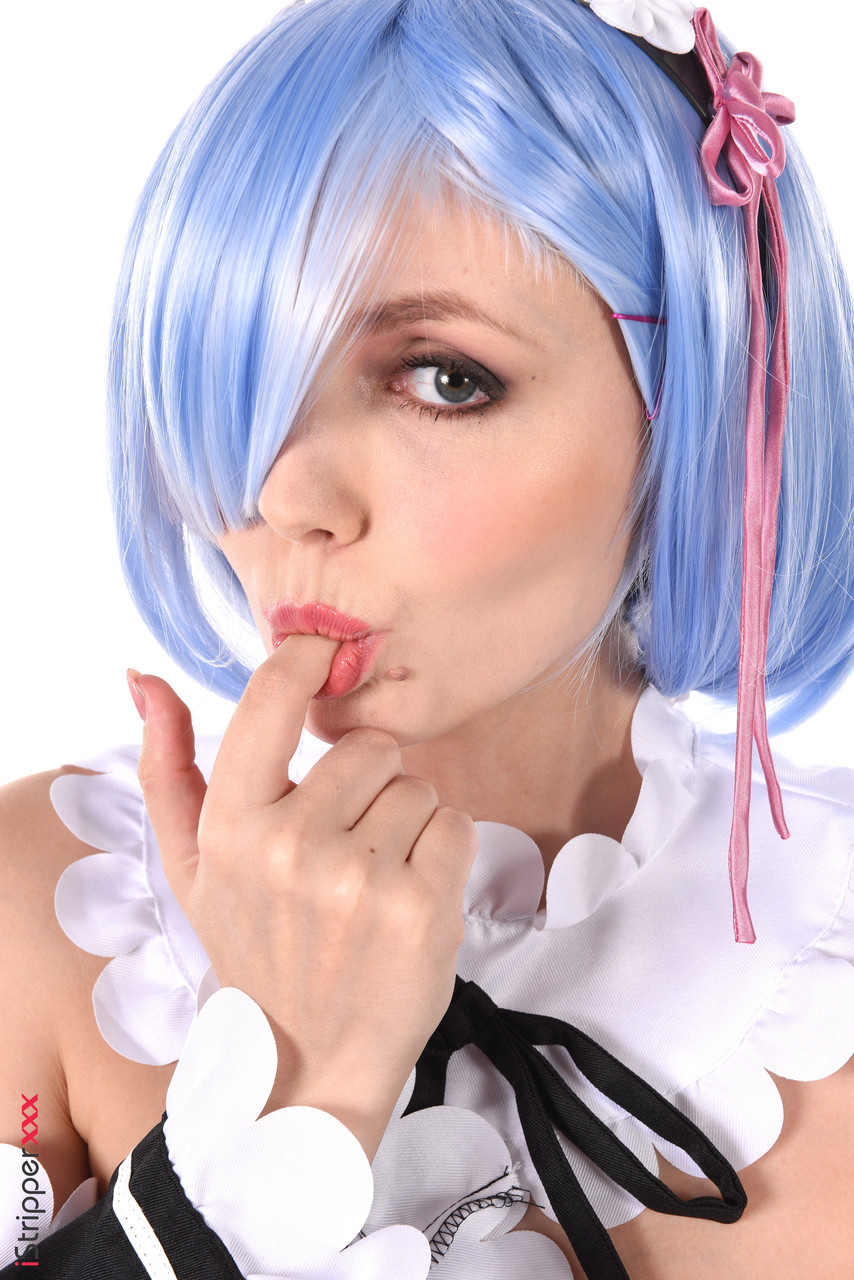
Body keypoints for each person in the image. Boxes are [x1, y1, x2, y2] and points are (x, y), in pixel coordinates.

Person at [1, 0, 853, 1276]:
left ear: (696, 405)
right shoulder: (49, 917)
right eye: (245, 379)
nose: (287, 494)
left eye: (443, 378)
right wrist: (288, 1092)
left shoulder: (821, 961)